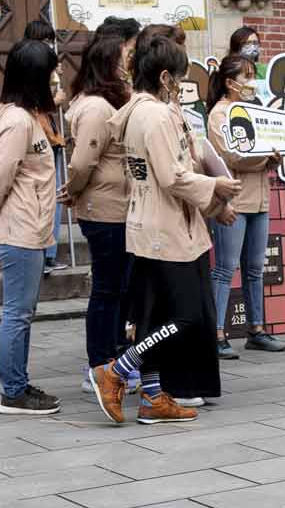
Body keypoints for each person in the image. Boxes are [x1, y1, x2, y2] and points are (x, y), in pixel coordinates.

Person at [88, 35, 237, 425]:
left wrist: (211, 200)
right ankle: (118, 369)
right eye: (180, 78)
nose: (182, 86)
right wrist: (215, 189)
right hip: (167, 229)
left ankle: (153, 396)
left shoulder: (140, 112)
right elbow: (172, 175)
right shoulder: (154, 116)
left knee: (156, 315)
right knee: (188, 315)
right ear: (166, 76)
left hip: (152, 224)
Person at [0, 39, 62, 416]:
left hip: (31, 227)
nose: (57, 78)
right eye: (52, 71)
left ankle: (18, 383)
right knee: (17, 313)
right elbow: (1, 174)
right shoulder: (17, 121)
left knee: (23, 312)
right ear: (36, 76)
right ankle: (12, 392)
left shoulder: (29, 116)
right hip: (19, 230)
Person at [63, 31, 135, 374]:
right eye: (124, 59)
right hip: (104, 210)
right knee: (107, 290)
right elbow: (81, 162)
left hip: (116, 207)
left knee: (118, 288)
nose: (128, 67)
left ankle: (113, 358)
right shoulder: (96, 107)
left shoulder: (107, 103)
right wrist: (74, 190)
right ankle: (100, 364)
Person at [206, 54, 285, 358]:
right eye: (247, 76)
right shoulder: (219, 114)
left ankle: (256, 329)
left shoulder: (253, 110)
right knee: (226, 268)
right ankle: (216, 333)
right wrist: (267, 158)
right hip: (234, 199)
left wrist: (272, 157)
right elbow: (232, 156)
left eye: (254, 76)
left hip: (260, 198)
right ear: (229, 82)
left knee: (254, 269)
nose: (252, 82)